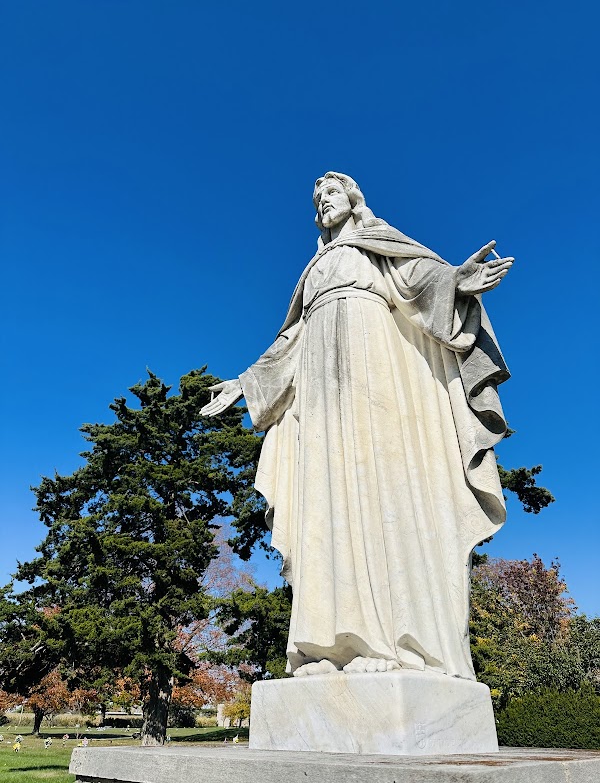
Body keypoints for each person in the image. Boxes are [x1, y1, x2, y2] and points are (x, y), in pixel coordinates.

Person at [201, 172, 513, 680]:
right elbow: (289, 342)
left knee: (379, 495)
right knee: (325, 506)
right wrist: (245, 383)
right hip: (322, 399)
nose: (322, 203)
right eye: (316, 198)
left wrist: (456, 282)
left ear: (353, 199)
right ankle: (329, 645)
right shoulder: (314, 271)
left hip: (378, 383)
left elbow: (425, 283)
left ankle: (389, 642)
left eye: (331, 194)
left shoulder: (377, 247)